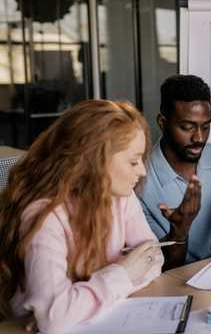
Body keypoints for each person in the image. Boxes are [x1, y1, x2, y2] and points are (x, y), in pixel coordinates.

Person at [0, 100, 163, 333]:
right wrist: (124, 273)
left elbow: (154, 257)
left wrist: (76, 304)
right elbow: (54, 319)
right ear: (93, 161)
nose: (142, 171)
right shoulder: (44, 215)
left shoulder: (121, 196)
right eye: (133, 161)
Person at [138, 75, 211, 269]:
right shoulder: (138, 180)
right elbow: (159, 266)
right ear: (162, 122)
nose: (199, 137)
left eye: (206, 127)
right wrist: (179, 230)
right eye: (187, 127)